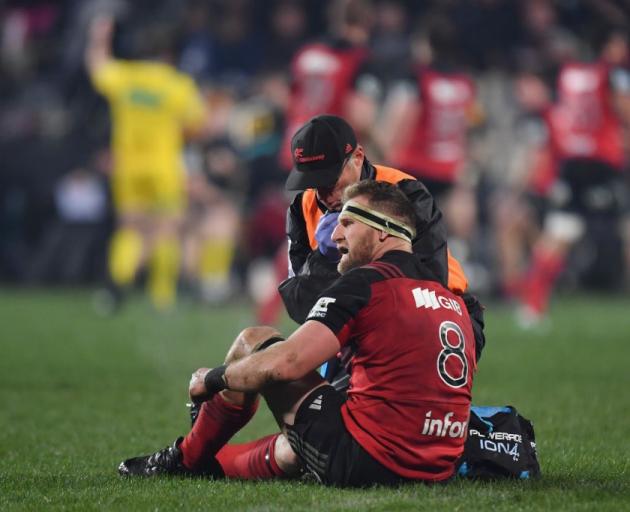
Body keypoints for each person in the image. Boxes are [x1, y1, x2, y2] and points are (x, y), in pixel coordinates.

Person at [118, 180, 478, 486]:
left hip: (370, 462)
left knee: (254, 341)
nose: (335, 234)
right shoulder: (450, 297)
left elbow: (286, 363)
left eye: (348, 223)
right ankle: (207, 466)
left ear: (382, 230)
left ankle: (185, 458)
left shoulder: (365, 283)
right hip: (438, 464)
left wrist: (211, 379)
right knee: (296, 447)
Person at [86, 15, 206, 311]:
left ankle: (115, 283)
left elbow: (96, 66)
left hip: (127, 165)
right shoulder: (177, 84)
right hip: (163, 166)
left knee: (130, 226)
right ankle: (161, 296)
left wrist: (99, 37)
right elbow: (198, 125)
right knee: (167, 226)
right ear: (168, 54)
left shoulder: (125, 77)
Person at [516, 26, 630, 326]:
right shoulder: (612, 73)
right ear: (608, 45)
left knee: (560, 232)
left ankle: (532, 305)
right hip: (603, 163)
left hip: (572, 162)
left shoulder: (568, 73)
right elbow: (624, 110)